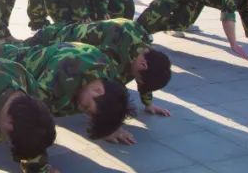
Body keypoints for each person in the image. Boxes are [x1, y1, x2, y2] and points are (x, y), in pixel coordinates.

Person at [0, 42, 133, 157]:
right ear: (98, 90)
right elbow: (29, 120)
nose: (81, 108)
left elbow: (114, 100)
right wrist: (38, 172)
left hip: (29, 59)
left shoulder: (107, 75)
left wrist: (110, 123)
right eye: (87, 108)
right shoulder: (61, 75)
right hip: (0, 63)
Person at [25, 18, 173, 117]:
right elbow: (104, 88)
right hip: (50, 40)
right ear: (142, 64)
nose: (136, 81)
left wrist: (148, 104)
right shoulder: (117, 41)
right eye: (138, 80)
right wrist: (110, 126)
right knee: (18, 62)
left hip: (65, 53)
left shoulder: (145, 50)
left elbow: (147, 76)